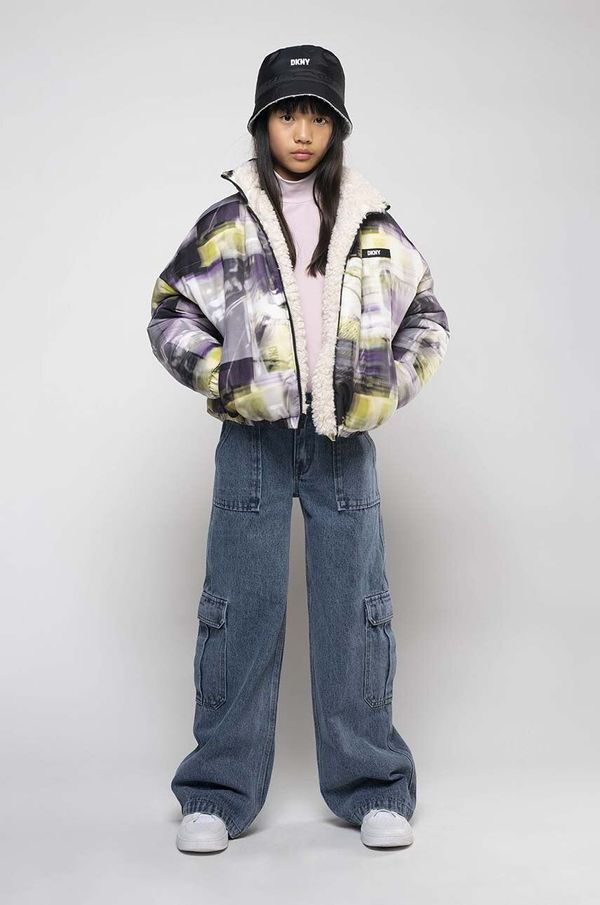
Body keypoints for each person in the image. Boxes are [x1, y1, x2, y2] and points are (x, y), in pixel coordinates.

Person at [147, 44, 450, 853]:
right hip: (253, 439)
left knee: (355, 611)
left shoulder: (370, 222)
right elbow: (170, 310)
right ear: (263, 123)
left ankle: (374, 786)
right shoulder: (228, 222)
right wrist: (225, 375)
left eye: (319, 116)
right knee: (239, 608)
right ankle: (217, 791)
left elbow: (426, 315)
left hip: (342, 441)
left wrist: (387, 385)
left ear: (337, 127)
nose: (304, 131)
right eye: (289, 114)